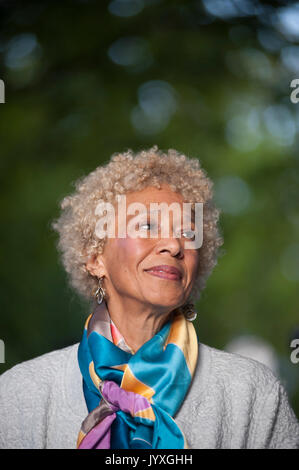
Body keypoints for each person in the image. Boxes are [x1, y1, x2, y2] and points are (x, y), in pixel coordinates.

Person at [0, 146, 298, 449]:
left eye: (186, 232)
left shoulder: (253, 392)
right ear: (95, 258)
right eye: (147, 225)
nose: (173, 244)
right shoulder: (21, 393)